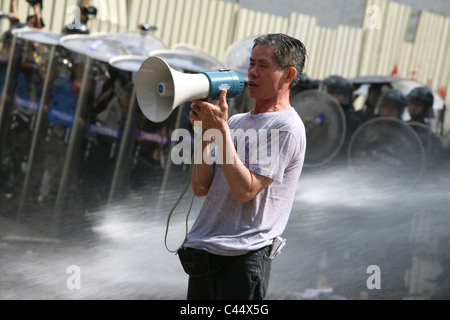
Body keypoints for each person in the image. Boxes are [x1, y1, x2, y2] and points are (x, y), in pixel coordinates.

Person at [179, 33, 307, 300]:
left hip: (244, 256)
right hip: (206, 252)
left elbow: (245, 190)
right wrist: (204, 133)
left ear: (288, 75)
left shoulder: (286, 127)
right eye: (251, 63)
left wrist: (221, 131)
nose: (252, 72)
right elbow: (200, 186)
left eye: (263, 65)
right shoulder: (236, 122)